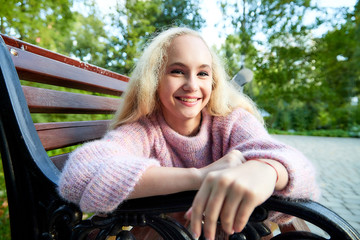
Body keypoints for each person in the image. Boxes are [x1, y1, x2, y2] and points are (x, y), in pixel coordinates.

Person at [59, 27, 320, 240]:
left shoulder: (230, 122)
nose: (192, 85)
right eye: (177, 71)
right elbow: (79, 175)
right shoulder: (143, 131)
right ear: (154, 79)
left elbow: (300, 172)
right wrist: (199, 176)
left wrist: (267, 170)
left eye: (203, 73)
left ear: (213, 82)